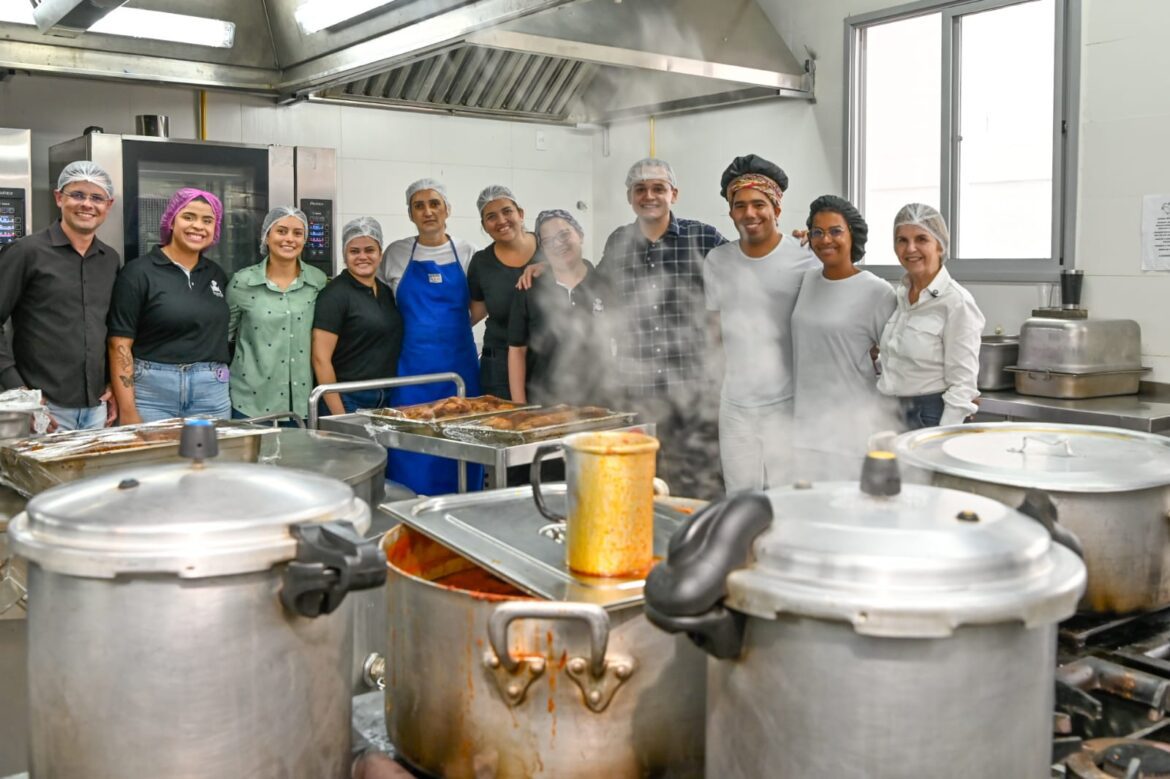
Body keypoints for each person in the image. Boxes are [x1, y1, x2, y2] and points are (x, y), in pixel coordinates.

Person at [592, 158, 728, 499]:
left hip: (692, 387)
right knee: (642, 479)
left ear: (674, 194)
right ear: (630, 197)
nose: (648, 195)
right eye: (640, 189)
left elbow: (749, 268)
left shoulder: (704, 237)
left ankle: (696, 546)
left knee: (697, 479)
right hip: (636, 386)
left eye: (658, 188)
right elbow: (599, 294)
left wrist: (798, 243)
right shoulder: (618, 242)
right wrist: (541, 268)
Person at [703, 155, 819, 492]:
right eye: (740, 206)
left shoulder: (805, 255)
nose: (749, 214)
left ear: (777, 209)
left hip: (787, 401)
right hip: (735, 405)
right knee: (740, 499)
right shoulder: (718, 260)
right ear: (730, 213)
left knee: (788, 497)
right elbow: (715, 332)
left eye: (759, 204)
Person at [380, 179, 483, 495]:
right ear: (410, 213)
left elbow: (480, 305)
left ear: (447, 209)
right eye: (419, 205)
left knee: (461, 445)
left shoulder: (467, 253)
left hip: (459, 369)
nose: (428, 211)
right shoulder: (396, 253)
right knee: (411, 445)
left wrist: (451, 329)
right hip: (411, 371)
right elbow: (383, 304)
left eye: (434, 204)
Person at [0, 161, 120, 431]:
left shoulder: (109, 259)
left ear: (108, 205)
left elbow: (108, 328)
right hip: (43, 410)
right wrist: (19, 394)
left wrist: (112, 384)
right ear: (58, 198)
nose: (87, 204)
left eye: (96, 197)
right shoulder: (25, 252)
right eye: (77, 194)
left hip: (97, 408)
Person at [790, 195, 898, 479]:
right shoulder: (807, 280)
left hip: (851, 431)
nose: (826, 240)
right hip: (804, 428)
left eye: (836, 231)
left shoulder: (877, 291)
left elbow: (895, 360)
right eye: (817, 232)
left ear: (853, 235)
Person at [107, 188, 231, 423]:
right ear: (172, 221)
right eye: (189, 217)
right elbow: (119, 345)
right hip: (152, 394)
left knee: (210, 459)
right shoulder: (139, 272)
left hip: (211, 392)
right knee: (156, 459)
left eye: (208, 220)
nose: (198, 226)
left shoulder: (216, 274)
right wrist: (128, 411)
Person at [877, 203, 985, 429]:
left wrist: (941, 437)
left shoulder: (956, 303)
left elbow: (963, 386)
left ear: (940, 246)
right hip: (889, 412)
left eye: (921, 239)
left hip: (928, 416)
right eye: (902, 240)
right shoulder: (901, 295)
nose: (910, 249)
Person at [227, 206, 327, 422]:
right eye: (281, 231)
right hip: (251, 403)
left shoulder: (317, 281)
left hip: (302, 406)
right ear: (266, 236)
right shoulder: (243, 282)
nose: (289, 239)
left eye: (297, 233)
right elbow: (223, 337)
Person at [507, 209, 613, 405]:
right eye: (548, 241)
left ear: (580, 235)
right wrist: (519, 408)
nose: (558, 244)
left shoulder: (605, 284)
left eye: (564, 234)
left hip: (600, 403)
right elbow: (516, 351)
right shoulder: (529, 288)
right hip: (544, 404)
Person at [311, 217, 403, 416]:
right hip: (348, 397)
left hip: (385, 395)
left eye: (369, 250)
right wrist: (340, 415)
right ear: (345, 255)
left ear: (380, 253)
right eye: (354, 251)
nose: (363, 257)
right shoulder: (335, 295)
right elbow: (320, 359)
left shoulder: (386, 292)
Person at [468, 185, 539, 398]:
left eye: (507, 211)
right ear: (484, 225)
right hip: (499, 367)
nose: (501, 220)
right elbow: (476, 313)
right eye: (491, 216)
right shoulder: (482, 262)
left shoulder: (549, 248)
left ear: (521, 213)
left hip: (547, 362)